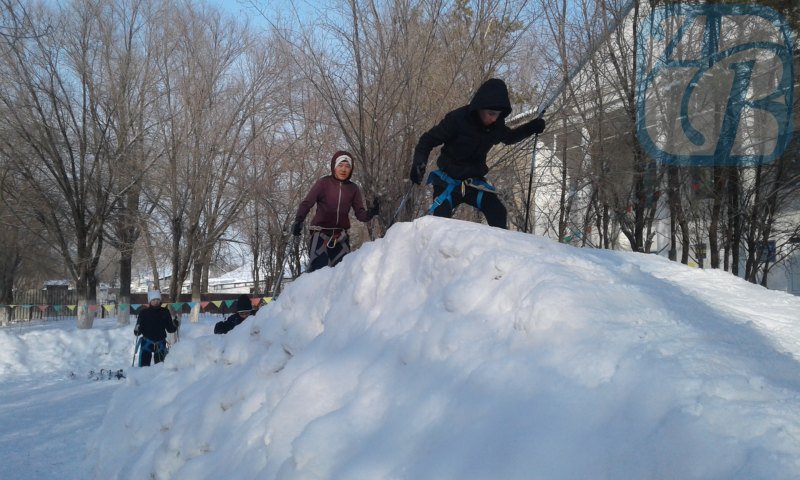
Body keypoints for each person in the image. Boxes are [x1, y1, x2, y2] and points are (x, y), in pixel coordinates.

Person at [409, 78, 546, 229]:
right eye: (491, 114)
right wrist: (419, 163)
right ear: (479, 107)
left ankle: (499, 250)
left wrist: (532, 127)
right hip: (447, 182)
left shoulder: (496, 126)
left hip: (474, 183)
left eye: (498, 115)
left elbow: (510, 137)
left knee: (498, 211)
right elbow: (427, 140)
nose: (494, 119)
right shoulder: (457, 119)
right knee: (440, 225)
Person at [292, 150, 379, 273]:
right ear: (334, 166)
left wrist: (372, 212)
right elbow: (307, 203)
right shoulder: (323, 183)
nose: (343, 169)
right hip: (320, 235)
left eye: (347, 166)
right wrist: (298, 220)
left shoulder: (353, 189)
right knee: (319, 275)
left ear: (351, 169)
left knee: (341, 277)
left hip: (340, 238)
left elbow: (360, 214)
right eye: (340, 165)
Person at [133, 290, 179, 367]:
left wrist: (174, 325)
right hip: (146, 343)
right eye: (153, 300)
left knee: (160, 368)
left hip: (160, 343)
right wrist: (137, 330)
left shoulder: (165, 312)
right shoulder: (143, 313)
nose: (156, 302)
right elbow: (138, 329)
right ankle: (142, 378)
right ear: (149, 301)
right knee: (143, 368)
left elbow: (170, 329)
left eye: (158, 300)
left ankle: (159, 379)